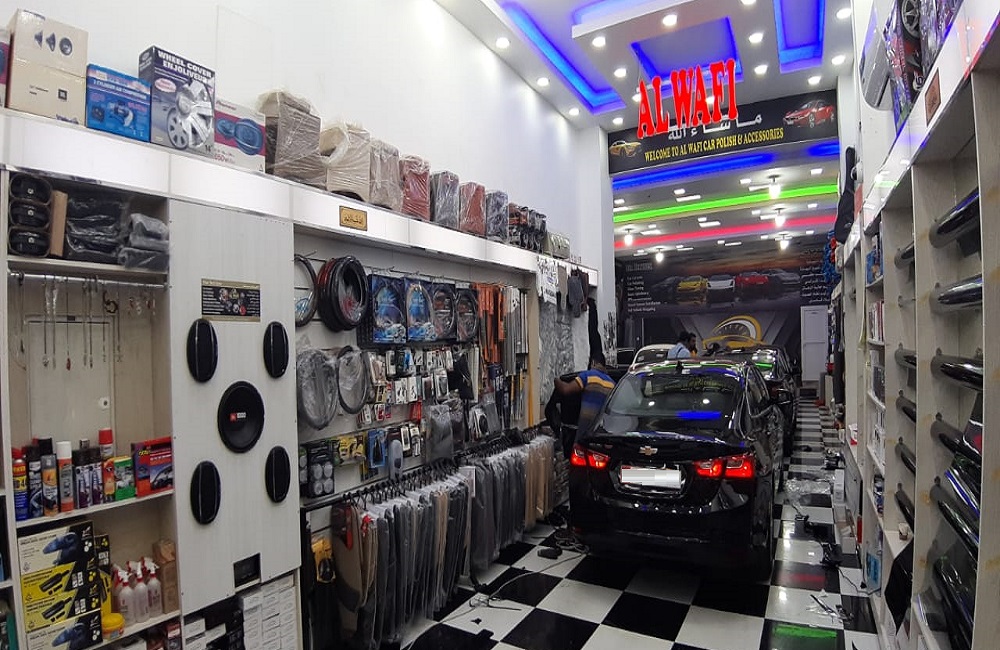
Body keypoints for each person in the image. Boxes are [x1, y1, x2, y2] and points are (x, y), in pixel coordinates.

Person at [554, 352, 615, 442]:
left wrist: (556, 379)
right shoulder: (612, 384)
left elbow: (565, 389)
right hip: (603, 434)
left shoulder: (588, 376)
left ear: (593, 362)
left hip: (585, 430)